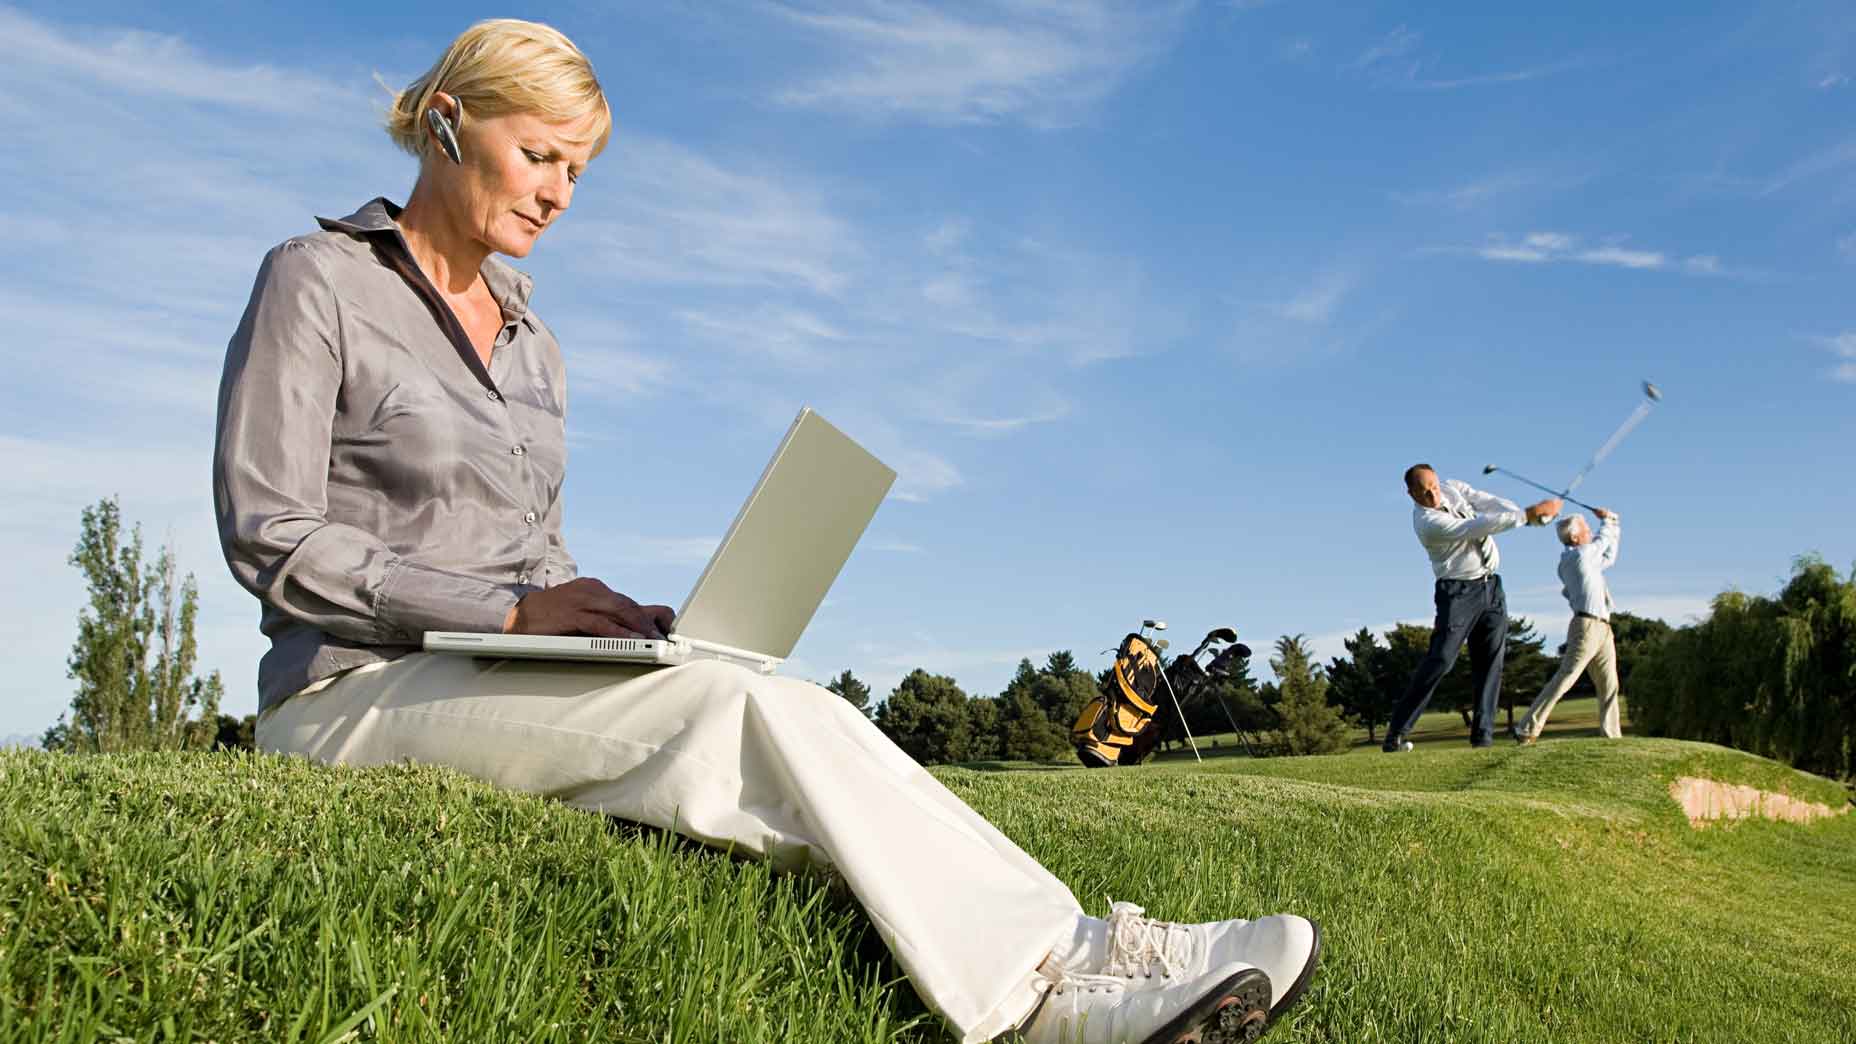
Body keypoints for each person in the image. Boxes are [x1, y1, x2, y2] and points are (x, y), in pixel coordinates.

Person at [210, 19, 1318, 1044]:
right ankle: (1046, 998)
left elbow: (531, 549)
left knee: (783, 698)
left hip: (489, 663)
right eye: (541, 155)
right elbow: (272, 534)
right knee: (729, 717)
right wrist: (503, 611)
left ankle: (1094, 952)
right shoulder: (318, 284)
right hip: (347, 695)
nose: (557, 194)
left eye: (577, 174)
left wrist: (584, 611)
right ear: (449, 117)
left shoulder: (532, 339)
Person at [1381, 465, 1561, 752]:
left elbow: (1486, 502)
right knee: (1441, 659)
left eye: (1434, 486)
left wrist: (1520, 514)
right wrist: (1526, 515)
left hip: (1491, 587)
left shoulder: (1453, 488)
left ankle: (1483, 739)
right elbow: (1474, 527)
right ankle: (1396, 733)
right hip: (1457, 593)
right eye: (1424, 491)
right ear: (1411, 494)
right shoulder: (1427, 523)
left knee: (1491, 662)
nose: (1432, 494)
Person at [1511, 509, 1624, 743]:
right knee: (1566, 677)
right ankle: (1527, 728)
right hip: (1587, 626)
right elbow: (1602, 541)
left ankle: (1611, 736)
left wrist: (1614, 525)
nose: (1590, 532)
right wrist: (1608, 521)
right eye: (1586, 529)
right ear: (1575, 538)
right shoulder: (1580, 557)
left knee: (1610, 683)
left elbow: (1609, 555)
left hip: (1603, 627)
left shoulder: (1578, 560)